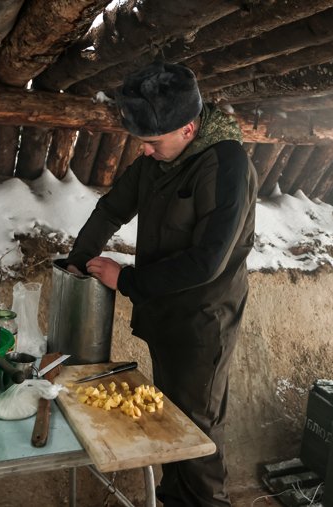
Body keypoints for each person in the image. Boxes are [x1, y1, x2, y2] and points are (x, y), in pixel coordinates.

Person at [65, 61, 257, 506]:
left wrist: (126, 278)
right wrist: (78, 260)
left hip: (203, 321)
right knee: (171, 424)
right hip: (164, 313)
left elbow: (207, 262)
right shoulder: (158, 161)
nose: (146, 152)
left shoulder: (228, 165)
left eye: (153, 142)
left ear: (188, 129)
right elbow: (112, 209)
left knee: (197, 432)